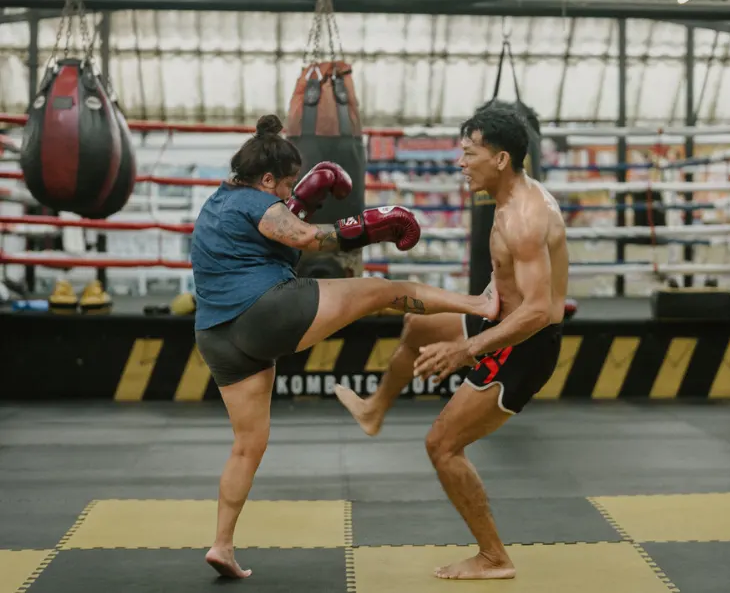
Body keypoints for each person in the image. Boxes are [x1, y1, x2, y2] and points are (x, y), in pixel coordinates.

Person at [190, 114, 500, 579]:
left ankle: (222, 544)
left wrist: (303, 202)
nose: (289, 194)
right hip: (266, 312)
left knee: (247, 444)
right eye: (287, 185)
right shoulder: (257, 202)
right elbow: (306, 238)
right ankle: (480, 300)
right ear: (268, 179)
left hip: (217, 337)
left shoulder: (218, 202)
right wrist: (377, 226)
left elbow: (277, 234)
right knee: (383, 292)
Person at [336, 103, 569, 580]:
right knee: (419, 325)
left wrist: (466, 350)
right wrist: (477, 303)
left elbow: (541, 310)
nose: (460, 163)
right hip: (501, 316)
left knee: (442, 445)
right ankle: (375, 409)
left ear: (500, 159)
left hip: (525, 344)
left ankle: (493, 557)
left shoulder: (523, 218)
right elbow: (511, 288)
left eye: (469, 153)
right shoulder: (512, 198)